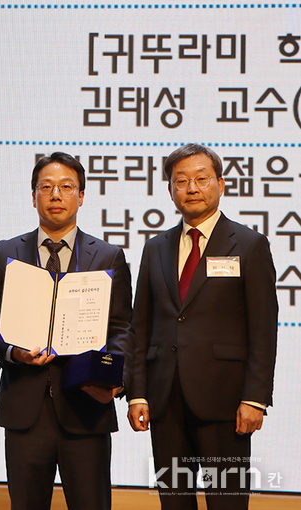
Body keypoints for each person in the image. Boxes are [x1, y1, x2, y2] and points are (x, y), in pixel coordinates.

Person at [0, 152, 133, 510]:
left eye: (66, 187)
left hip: (87, 405)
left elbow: (122, 326)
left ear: (81, 195)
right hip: (25, 409)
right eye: (46, 187)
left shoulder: (108, 256)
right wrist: (13, 351)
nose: (56, 195)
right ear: (33, 197)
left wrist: (113, 378)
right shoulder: (5, 253)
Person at [127, 144, 278, 509]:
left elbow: (263, 329)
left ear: (220, 184)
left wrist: (255, 398)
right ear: (170, 190)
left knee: (227, 501)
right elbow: (140, 325)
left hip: (226, 401)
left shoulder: (249, 244)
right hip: (165, 400)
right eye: (181, 181)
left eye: (201, 178)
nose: (191, 188)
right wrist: (137, 393)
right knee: (174, 501)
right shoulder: (155, 248)